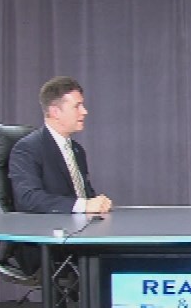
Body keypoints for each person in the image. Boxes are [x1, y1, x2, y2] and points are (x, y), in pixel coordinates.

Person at [9, 76, 113, 214]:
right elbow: (29, 198)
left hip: (83, 224)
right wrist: (83, 206)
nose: (84, 111)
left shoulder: (77, 150)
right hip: (52, 226)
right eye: (77, 106)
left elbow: (84, 195)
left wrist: (99, 203)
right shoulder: (27, 149)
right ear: (55, 112)